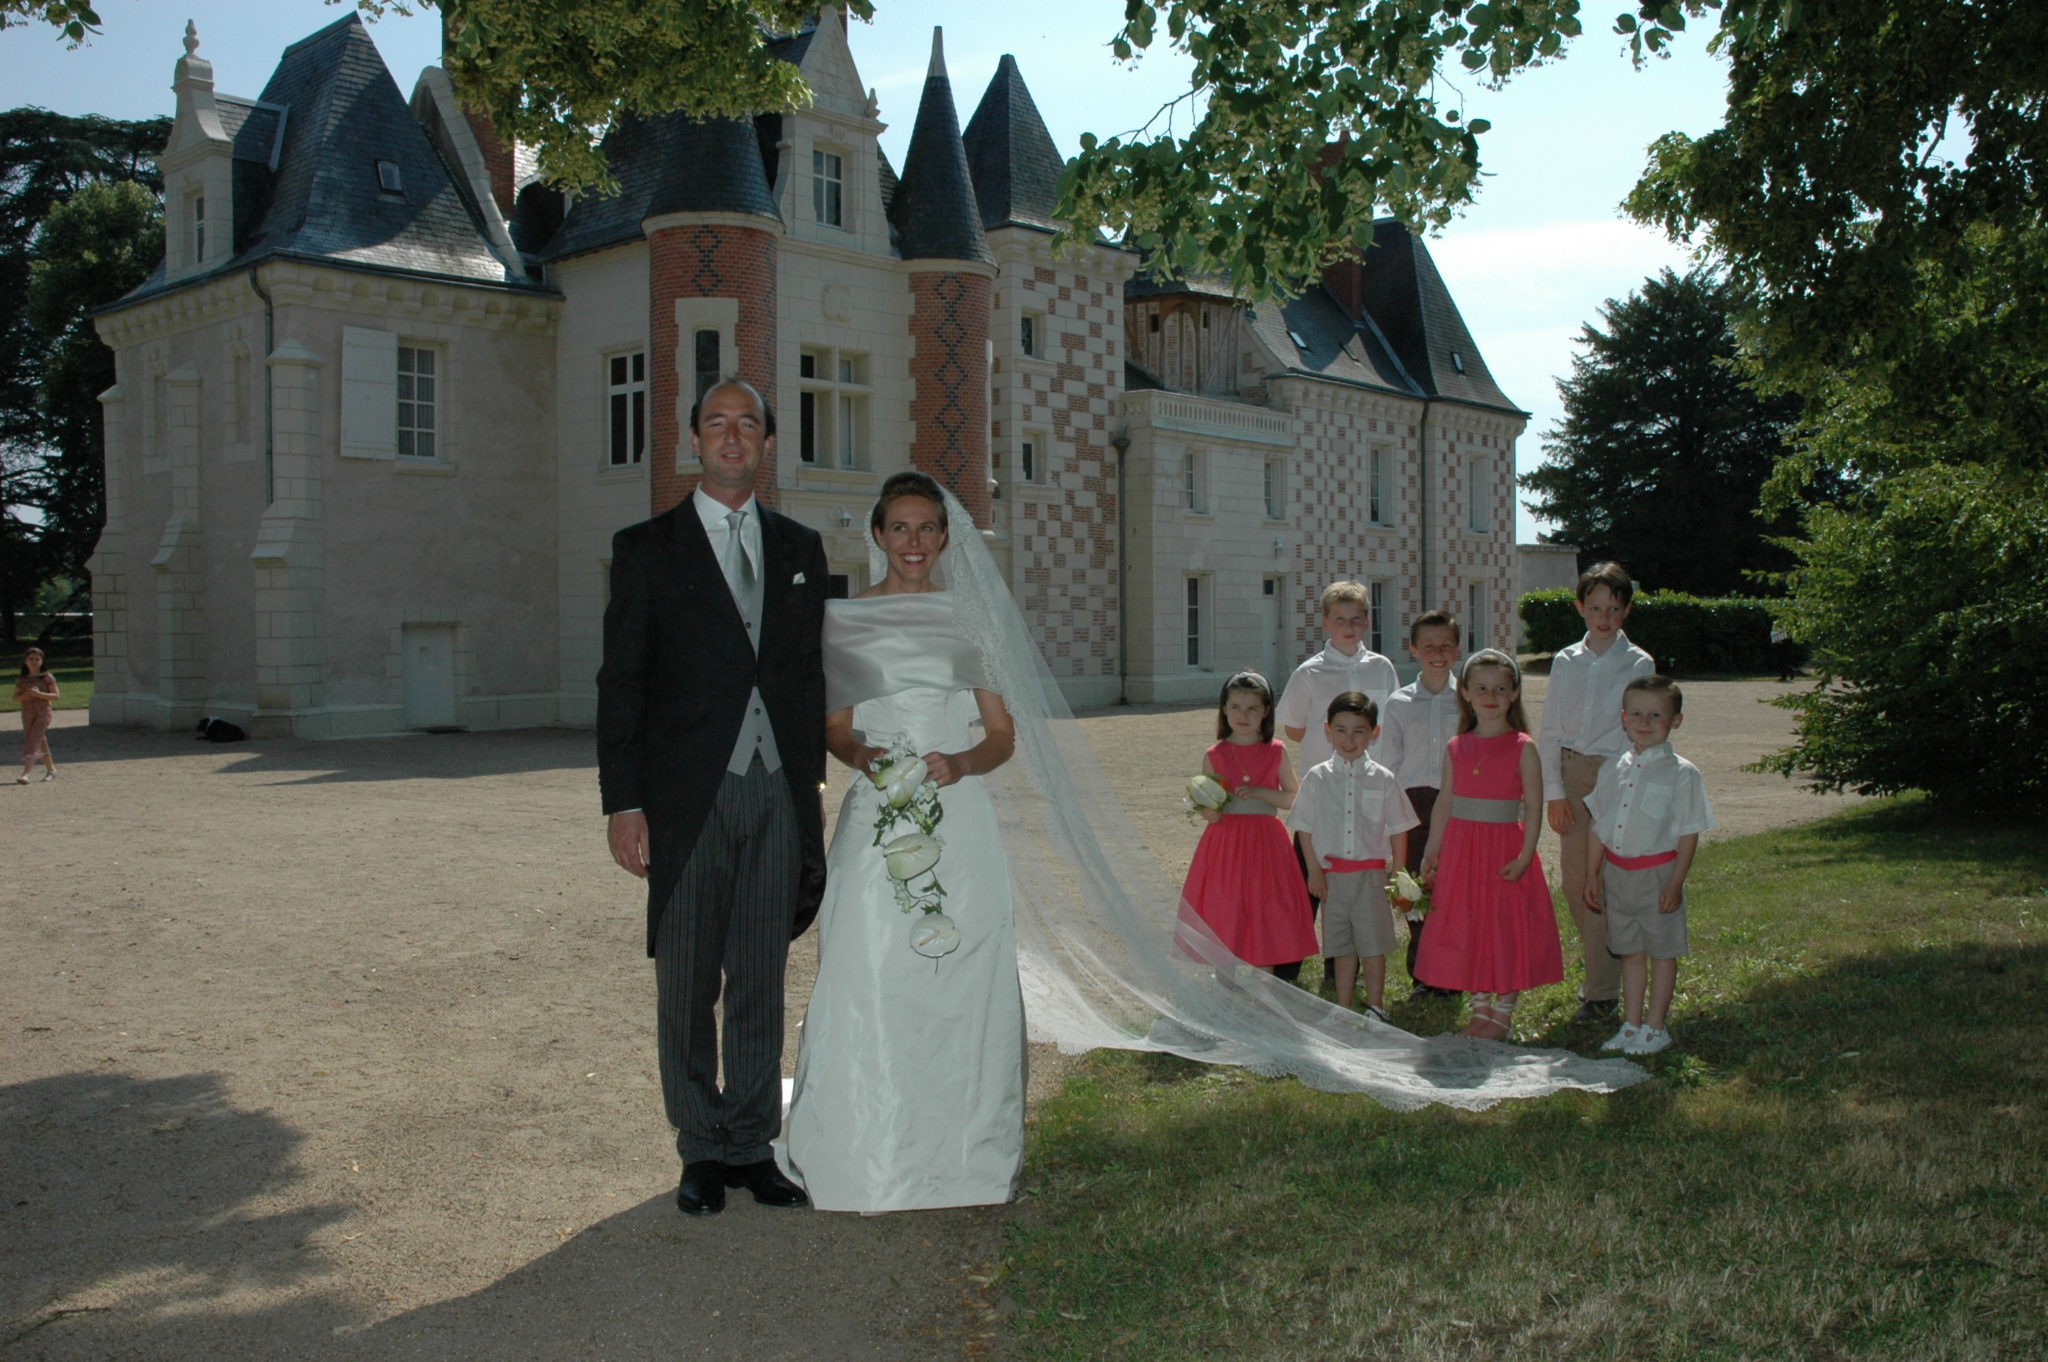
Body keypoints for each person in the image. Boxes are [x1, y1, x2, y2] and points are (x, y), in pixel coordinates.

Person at [596, 378, 828, 1218]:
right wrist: (623, 803)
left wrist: (816, 788)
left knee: (762, 973)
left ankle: (750, 1142)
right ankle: (699, 1147)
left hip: (776, 791)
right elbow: (620, 685)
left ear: (769, 443)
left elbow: (804, 680)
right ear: (693, 439)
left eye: (749, 425)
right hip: (685, 798)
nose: (733, 438)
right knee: (688, 980)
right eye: (717, 424)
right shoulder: (646, 549)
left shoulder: (801, 548)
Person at [780, 472, 1026, 1213]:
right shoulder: (848, 620)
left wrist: (962, 763)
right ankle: (865, 1149)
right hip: (879, 810)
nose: (913, 542)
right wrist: (866, 760)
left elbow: (1003, 736)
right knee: (867, 965)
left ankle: (964, 1157)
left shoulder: (970, 620)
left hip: (958, 816)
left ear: (944, 538)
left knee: (960, 975)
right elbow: (836, 731)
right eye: (900, 528)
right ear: (879, 536)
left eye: (927, 529)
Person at [1413, 649, 1563, 1040]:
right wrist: (1433, 850)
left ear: (1514, 694)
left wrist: (1526, 853)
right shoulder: (1456, 745)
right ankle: (1480, 1008)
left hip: (1503, 851)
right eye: (1481, 688)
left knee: (1504, 925)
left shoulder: (1522, 746)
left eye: (1500, 688)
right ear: (1464, 692)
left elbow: (1532, 805)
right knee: (1470, 924)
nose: (1490, 695)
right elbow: (1445, 800)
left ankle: (1503, 1012)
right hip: (1463, 849)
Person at [1535, 562, 1655, 1021]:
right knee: (1573, 882)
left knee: (1600, 882)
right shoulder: (1566, 660)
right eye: (1595, 607)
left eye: (1614, 608)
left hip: (1615, 775)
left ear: (1626, 611)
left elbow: (1641, 727)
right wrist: (1554, 793)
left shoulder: (1638, 662)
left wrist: (1630, 786)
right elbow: (1550, 730)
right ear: (1580, 607)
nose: (1604, 617)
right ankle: (1616, 957)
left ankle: (1601, 991)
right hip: (1572, 773)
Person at [1275, 583, 1400, 987]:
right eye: (1340, 619)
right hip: (1324, 792)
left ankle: (1344, 972)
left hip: (1367, 790)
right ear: (1326, 622)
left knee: (1359, 882)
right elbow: (1293, 729)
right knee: (1307, 883)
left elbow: (1389, 725)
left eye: (1357, 618)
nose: (1349, 626)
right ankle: (1285, 970)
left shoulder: (1382, 667)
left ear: (1368, 620)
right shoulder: (1309, 672)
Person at [1583, 676, 1715, 1056]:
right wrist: (1592, 874)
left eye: (1656, 714)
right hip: (1617, 876)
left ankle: (1656, 1027)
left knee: (1661, 951)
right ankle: (1631, 1025)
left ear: (1676, 720)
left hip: (1657, 876)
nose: (1645, 722)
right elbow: (1599, 826)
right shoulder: (1613, 769)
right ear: (1623, 718)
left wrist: (1675, 883)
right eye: (1636, 714)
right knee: (1630, 951)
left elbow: (1689, 832)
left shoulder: (1682, 773)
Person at [1177, 671, 1319, 972]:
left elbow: (1295, 797)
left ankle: (1263, 987)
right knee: (1226, 907)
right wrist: (1209, 812)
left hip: (1266, 845)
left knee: (1263, 909)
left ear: (1266, 711)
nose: (1243, 715)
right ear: (1224, 709)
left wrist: (1264, 793)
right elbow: (1205, 797)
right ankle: (1226, 982)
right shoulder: (1214, 754)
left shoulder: (1275, 751)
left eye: (1253, 708)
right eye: (1236, 707)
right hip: (1225, 845)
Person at [1289, 693, 1418, 1020]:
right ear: (1328, 731)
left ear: (1374, 733)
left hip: (1371, 876)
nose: (1349, 739)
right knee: (1342, 946)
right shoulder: (1317, 778)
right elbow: (1303, 828)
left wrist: (1398, 874)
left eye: (1359, 731)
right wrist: (1314, 872)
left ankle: (1376, 1006)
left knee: (1373, 944)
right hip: (1332, 877)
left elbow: (1399, 827)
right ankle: (1344, 1008)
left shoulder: (1384, 779)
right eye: (1341, 730)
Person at [1376, 610, 1462, 997]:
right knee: (1415, 891)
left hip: (1456, 806)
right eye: (1428, 646)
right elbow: (1388, 764)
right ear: (1413, 650)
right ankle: (1423, 975)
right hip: (1411, 806)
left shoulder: (1468, 700)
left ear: (1457, 649)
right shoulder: (1398, 703)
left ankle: (1453, 973)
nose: (1437, 653)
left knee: (1453, 891)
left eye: (1445, 645)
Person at [15, 647, 59, 784]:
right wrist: (26, 695)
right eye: (31, 659)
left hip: (43, 712)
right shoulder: (21, 680)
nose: (34, 661)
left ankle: (26, 773)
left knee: (33, 739)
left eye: (37, 659)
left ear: (42, 661)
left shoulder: (47, 677)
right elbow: (15, 698)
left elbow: (56, 696)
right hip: (27, 713)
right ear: (25, 661)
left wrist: (39, 694)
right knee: (39, 739)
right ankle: (51, 770)